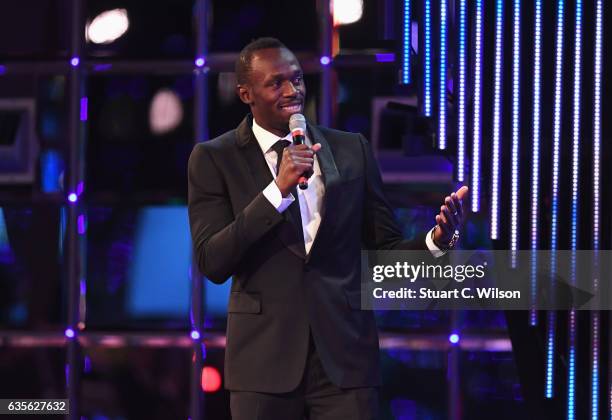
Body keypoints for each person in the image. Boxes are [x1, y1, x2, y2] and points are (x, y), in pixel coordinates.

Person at [187, 37, 468, 420]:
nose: (293, 91)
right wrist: (277, 191)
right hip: (263, 364)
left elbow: (384, 250)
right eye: (276, 83)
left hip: (345, 362)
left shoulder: (351, 149)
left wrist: (437, 240)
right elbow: (213, 261)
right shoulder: (214, 159)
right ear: (245, 93)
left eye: (297, 79)